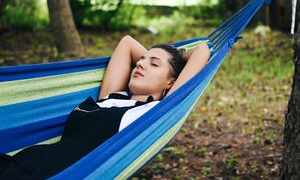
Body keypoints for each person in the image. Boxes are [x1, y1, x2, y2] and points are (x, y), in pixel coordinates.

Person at [0, 35, 210, 180]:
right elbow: (127, 43)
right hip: (18, 162)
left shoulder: (151, 114)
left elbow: (202, 51)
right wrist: (157, 61)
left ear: (171, 83)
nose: (140, 64)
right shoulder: (113, 97)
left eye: (154, 64)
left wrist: (174, 59)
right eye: (141, 61)